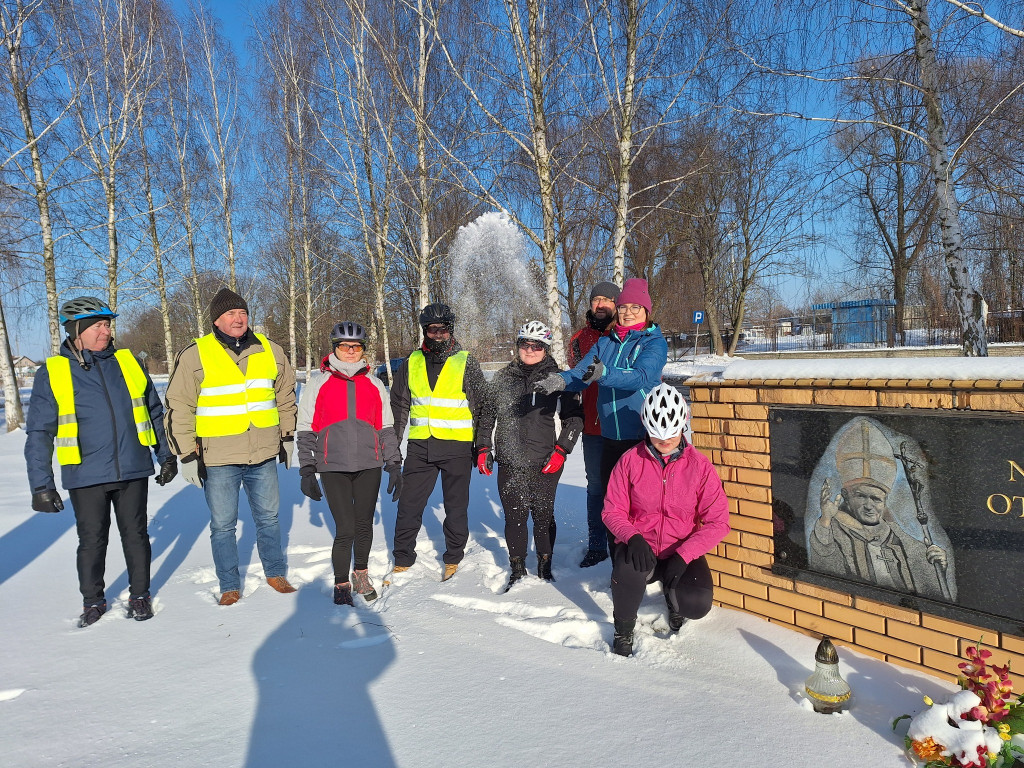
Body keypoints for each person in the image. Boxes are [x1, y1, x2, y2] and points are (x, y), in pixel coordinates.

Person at [24, 296, 176, 627]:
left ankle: (140, 596)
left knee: (136, 534)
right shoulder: (54, 372)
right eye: (99, 325)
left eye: (108, 324)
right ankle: (93, 600)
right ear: (77, 330)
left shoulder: (128, 362)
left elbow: (153, 411)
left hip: (132, 467)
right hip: (85, 473)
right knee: (92, 540)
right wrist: (41, 484)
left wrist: (166, 455)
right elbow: (39, 433)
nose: (106, 331)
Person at [164, 288, 298, 606]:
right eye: (230, 314)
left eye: (242, 313)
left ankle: (275, 573)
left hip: (263, 453)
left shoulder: (270, 349)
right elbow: (179, 405)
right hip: (218, 457)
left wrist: (288, 437)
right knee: (223, 525)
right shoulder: (195, 354)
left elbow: (286, 395)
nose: (238, 319)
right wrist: (185, 453)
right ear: (216, 320)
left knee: (269, 518)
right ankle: (229, 584)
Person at [602, 384, 730, 657]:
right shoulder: (629, 461)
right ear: (646, 429)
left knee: (696, 604)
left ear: (683, 426)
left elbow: (719, 522)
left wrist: (685, 555)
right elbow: (612, 511)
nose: (665, 443)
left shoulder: (700, 467)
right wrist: (632, 538)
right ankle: (623, 629)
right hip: (641, 548)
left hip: (679, 550)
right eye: (658, 438)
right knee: (625, 572)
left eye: (671, 436)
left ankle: (675, 599)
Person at [534, 277, 667, 522]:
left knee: (641, 500)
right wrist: (560, 381)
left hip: (642, 435)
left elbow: (640, 377)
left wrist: (604, 373)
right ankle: (606, 550)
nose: (628, 313)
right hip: (608, 437)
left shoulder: (654, 342)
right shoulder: (606, 342)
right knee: (610, 499)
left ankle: (642, 552)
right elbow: (581, 373)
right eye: (625, 307)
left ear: (646, 311)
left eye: (635, 307)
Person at [295, 322, 403, 606]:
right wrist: (307, 468)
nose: (351, 351)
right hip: (333, 466)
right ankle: (341, 580)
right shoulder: (318, 384)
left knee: (364, 523)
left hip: (369, 463)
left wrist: (393, 464)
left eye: (356, 347)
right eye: (345, 346)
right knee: (346, 528)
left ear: (363, 349)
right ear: (335, 348)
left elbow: (386, 428)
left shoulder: (375, 383)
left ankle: (361, 574)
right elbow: (306, 428)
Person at [388, 303, 491, 583]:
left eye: (443, 329)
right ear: (425, 331)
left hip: (457, 448)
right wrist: (392, 451)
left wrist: (483, 446)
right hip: (420, 448)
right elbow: (398, 409)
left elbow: (481, 407)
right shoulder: (411, 362)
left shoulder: (465, 361)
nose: (438, 335)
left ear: (451, 330)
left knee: (455, 507)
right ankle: (403, 558)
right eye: (432, 329)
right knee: (409, 504)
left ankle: (453, 557)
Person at [478, 321, 583, 591]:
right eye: (525, 344)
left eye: (537, 346)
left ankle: (545, 567)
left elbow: (574, 419)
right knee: (514, 516)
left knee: (543, 516)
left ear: (546, 349)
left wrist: (562, 450)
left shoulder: (559, 379)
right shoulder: (503, 378)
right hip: (510, 460)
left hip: (545, 461)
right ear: (518, 346)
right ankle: (517, 568)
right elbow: (487, 415)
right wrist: (482, 448)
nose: (530, 350)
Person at [809, 416, 953, 601]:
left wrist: (937, 563)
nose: (869, 505)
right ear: (846, 497)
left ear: (885, 501)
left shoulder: (897, 537)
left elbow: (926, 574)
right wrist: (825, 520)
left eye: (876, 499)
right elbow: (825, 572)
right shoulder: (833, 532)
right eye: (861, 496)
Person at [567, 281, 619, 568]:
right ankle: (597, 546)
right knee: (596, 487)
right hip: (594, 429)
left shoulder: (625, 333)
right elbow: (576, 379)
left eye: (607, 300)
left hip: (627, 425)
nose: (600, 304)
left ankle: (627, 544)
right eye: (596, 299)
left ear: (616, 304)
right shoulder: (578, 338)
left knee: (629, 487)